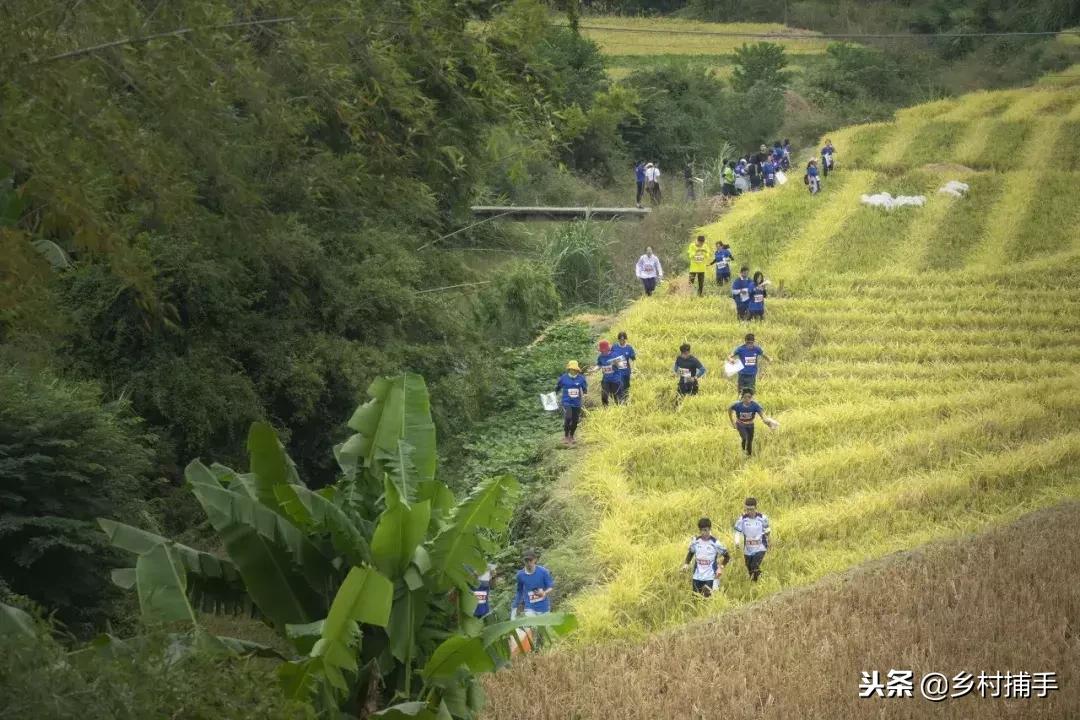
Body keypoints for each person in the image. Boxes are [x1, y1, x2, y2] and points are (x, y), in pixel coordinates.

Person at [682, 517, 730, 597]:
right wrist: (686, 564)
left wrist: (720, 568)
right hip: (697, 576)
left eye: (706, 530)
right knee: (696, 599)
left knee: (708, 599)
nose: (704, 533)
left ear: (709, 529)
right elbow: (691, 553)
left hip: (710, 577)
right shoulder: (696, 542)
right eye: (702, 530)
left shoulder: (715, 543)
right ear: (699, 530)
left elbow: (727, 556)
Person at [734, 497, 771, 582]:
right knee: (749, 568)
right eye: (747, 509)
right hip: (748, 548)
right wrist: (737, 543)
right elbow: (737, 532)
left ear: (756, 508)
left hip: (760, 547)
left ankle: (760, 582)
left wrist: (769, 543)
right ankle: (758, 581)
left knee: (754, 565)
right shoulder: (742, 519)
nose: (749, 512)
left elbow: (767, 531)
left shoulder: (763, 518)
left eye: (751, 509)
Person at [514, 549, 554, 620]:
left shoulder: (543, 571)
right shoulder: (520, 575)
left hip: (544, 606)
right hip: (529, 607)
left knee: (544, 629)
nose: (529, 563)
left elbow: (550, 587)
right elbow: (519, 591)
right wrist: (515, 605)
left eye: (530, 560)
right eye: (526, 560)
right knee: (532, 627)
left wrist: (544, 593)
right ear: (523, 561)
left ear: (535, 560)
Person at [555, 360, 587, 444]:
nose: (573, 371)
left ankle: (572, 436)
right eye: (571, 369)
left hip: (576, 402)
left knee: (575, 420)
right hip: (567, 401)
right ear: (569, 369)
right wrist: (554, 393)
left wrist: (585, 394)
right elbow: (558, 387)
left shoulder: (581, 378)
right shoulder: (564, 378)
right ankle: (566, 436)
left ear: (577, 370)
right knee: (568, 417)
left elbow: (584, 388)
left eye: (575, 369)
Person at [729, 388, 766, 457]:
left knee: (750, 441)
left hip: (750, 425)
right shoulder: (737, 405)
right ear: (742, 397)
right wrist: (733, 422)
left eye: (749, 397)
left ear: (752, 397)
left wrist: (765, 420)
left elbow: (761, 413)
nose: (747, 399)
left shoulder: (754, 405)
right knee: (744, 438)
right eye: (745, 397)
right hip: (740, 424)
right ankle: (743, 451)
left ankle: (749, 455)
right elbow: (730, 409)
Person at [596, 339, 624, 407]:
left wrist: (613, 362)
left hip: (615, 380)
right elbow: (599, 364)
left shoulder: (614, 355)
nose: (603, 352)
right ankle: (605, 410)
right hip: (606, 380)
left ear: (608, 349)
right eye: (601, 351)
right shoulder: (600, 357)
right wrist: (595, 369)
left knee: (617, 397)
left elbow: (622, 365)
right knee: (604, 396)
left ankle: (619, 410)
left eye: (604, 350)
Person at [613, 331, 636, 399]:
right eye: (620, 339)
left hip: (626, 371)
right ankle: (619, 402)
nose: (622, 341)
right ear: (618, 339)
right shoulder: (614, 347)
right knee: (619, 386)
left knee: (626, 387)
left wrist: (634, 369)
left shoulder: (629, 348)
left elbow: (633, 359)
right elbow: (610, 358)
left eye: (623, 339)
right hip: (617, 371)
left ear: (625, 339)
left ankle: (626, 401)